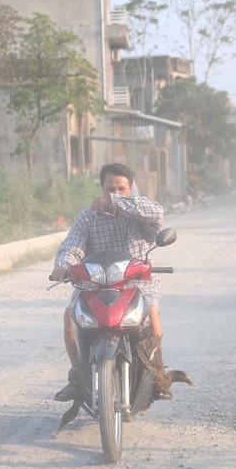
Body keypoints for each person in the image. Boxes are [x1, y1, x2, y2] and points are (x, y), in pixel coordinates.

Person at [49, 162, 165, 400]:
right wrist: (63, 266)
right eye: (110, 189)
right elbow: (73, 244)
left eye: (122, 188)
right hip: (96, 284)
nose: (116, 193)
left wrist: (117, 202)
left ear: (130, 189)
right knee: (70, 318)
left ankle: (157, 377)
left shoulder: (140, 213)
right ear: (101, 189)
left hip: (137, 283)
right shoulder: (88, 216)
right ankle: (78, 376)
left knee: (152, 318)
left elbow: (157, 213)